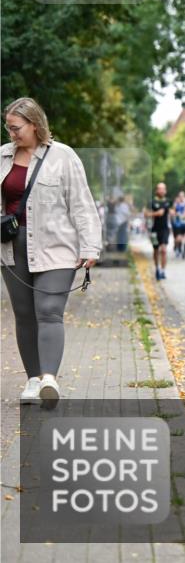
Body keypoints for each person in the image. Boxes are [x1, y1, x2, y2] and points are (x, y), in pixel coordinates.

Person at [0, 97, 102, 408]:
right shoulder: (3, 156)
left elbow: (82, 204)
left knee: (49, 311)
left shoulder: (63, 156)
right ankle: (33, 380)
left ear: (34, 124)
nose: (11, 133)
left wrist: (90, 246)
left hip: (56, 246)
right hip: (11, 248)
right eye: (8, 127)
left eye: (16, 127)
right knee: (24, 315)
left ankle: (49, 379)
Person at [146, 182, 173, 280]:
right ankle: (157, 268)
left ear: (165, 191)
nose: (162, 191)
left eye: (163, 189)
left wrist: (173, 213)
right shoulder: (152, 202)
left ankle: (163, 270)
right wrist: (156, 213)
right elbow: (146, 214)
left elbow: (173, 211)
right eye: (160, 189)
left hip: (165, 229)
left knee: (164, 250)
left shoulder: (168, 201)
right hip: (154, 229)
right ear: (157, 190)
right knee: (156, 250)